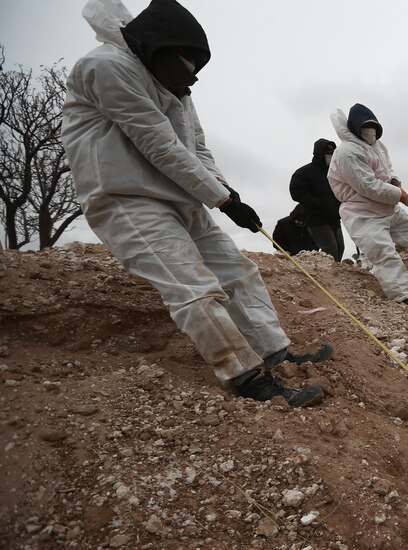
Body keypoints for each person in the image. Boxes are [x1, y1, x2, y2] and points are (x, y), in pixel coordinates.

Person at [60, 0, 332, 407]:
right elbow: (159, 144)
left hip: (183, 197)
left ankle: (276, 353)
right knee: (194, 288)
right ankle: (246, 378)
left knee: (239, 272)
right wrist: (221, 199)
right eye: (187, 61)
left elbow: (196, 147)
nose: (192, 73)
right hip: (126, 199)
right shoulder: (105, 67)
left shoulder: (178, 88)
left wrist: (227, 192)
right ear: (160, 46)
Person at [327, 103, 408, 307]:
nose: (370, 131)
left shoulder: (378, 146)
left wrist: (395, 181)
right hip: (363, 214)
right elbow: (367, 186)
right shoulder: (347, 152)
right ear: (354, 127)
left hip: (388, 208)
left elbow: (387, 169)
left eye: (373, 126)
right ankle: (402, 298)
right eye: (365, 126)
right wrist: (401, 196)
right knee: (385, 254)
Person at [289, 139, 344, 261]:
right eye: (328, 154)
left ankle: (337, 276)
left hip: (334, 217)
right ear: (319, 153)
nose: (330, 157)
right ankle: (329, 276)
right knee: (330, 248)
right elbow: (296, 192)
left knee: (340, 247)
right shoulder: (304, 172)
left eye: (333, 154)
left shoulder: (336, 173)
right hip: (316, 218)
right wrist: (316, 203)